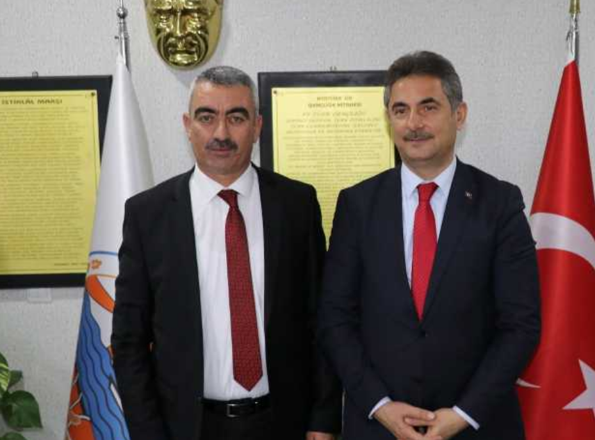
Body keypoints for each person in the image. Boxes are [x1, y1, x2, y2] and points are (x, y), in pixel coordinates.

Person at [318, 51, 541, 440]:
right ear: (388, 119)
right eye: (400, 110)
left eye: (428, 107)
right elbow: (336, 319)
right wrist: (381, 406)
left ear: (459, 114)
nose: (414, 123)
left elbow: (520, 325)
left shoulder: (500, 204)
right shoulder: (357, 205)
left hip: (476, 426)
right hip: (379, 427)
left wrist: (462, 414)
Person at [112, 66, 340, 440]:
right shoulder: (148, 215)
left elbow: (322, 320)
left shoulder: (296, 205)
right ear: (188, 125)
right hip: (188, 427)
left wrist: (324, 419)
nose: (221, 133)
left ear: (257, 126)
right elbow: (128, 341)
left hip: (284, 422)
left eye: (236, 117)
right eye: (207, 117)